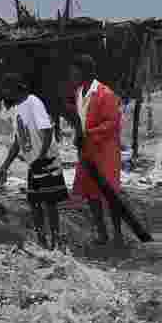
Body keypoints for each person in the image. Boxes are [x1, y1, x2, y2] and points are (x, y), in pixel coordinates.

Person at [0, 74, 68, 249]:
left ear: (14, 88)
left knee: (50, 204)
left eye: (6, 90)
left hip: (46, 161)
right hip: (34, 163)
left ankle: (56, 242)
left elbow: (47, 131)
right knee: (34, 203)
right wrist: (4, 166)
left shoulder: (33, 102)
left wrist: (40, 157)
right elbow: (17, 141)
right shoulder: (17, 109)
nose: (4, 94)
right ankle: (42, 241)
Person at [64, 55, 124, 246]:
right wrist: (79, 133)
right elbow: (81, 119)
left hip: (105, 151)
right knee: (91, 193)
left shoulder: (106, 93)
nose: (71, 74)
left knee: (109, 194)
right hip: (88, 150)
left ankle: (118, 235)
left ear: (84, 72)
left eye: (74, 70)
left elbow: (113, 124)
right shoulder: (79, 91)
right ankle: (102, 233)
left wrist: (87, 133)